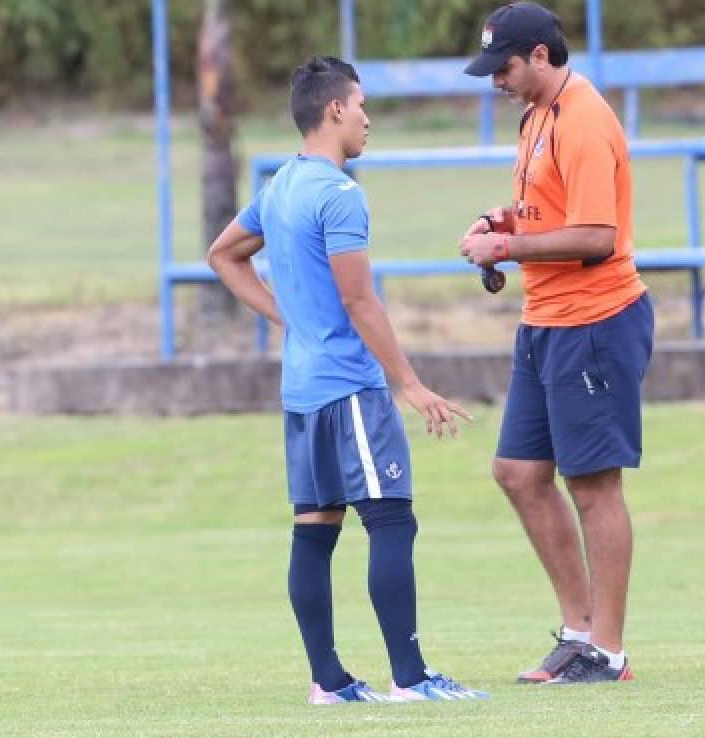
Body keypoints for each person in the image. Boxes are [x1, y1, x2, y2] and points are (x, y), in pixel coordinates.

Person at [208, 56, 486, 704]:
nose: (367, 117)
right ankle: (411, 681)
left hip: (301, 392)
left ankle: (328, 682)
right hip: (349, 386)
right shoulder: (338, 193)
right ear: (334, 110)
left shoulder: (279, 186)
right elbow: (361, 301)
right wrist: (409, 384)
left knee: (315, 527)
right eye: (360, 104)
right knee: (391, 522)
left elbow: (223, 255)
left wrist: (290, 318)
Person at [460, 3, 654, 684]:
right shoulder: (538, 115)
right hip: (545, 319)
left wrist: (507, 245)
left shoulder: (583, 119)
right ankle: (578, 632)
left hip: (594, 321)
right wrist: (502, 219)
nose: (496, 82)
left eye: (504, 68)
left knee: (595, 486)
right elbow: (552, 206)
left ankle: (609, 650)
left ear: (540, 55)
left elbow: (598, 236)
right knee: (517, 472)